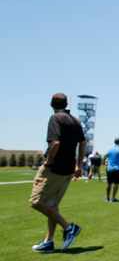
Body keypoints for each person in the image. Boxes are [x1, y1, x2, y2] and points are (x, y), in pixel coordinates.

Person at [29, 93, 84, 252]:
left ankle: (68, 227)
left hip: (54, 168)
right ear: (67, 104)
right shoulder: (75, 121)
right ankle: (49, 241)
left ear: (52, 104)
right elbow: (83, 142)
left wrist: (49, 161)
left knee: (36, 201)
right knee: (52, 204)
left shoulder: (55, 119)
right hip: (68, 169)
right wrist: (79, 165)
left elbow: (55, 143)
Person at [104, 138, 119, 202]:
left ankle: (107, 198)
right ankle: (113, 198)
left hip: (110, 168)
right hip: (118, 168)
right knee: (116, 184)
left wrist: (106, 163)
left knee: (109, 184)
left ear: (114, 142)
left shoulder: (110, 149)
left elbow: (106, 157)